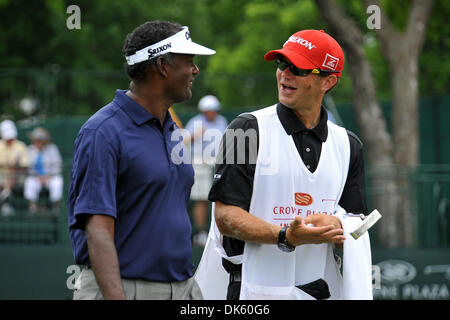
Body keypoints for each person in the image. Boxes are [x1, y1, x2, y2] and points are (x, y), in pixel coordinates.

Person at [195, 29, 372, 300]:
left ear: (329, 81)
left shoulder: (349, 144)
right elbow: (225, 217)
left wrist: (338, 224)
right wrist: (286, 236)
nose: (285, 74)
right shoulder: (246, 129)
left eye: (298, 68)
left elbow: (361, 224)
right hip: (249, 291)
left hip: (321, 291)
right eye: (282, 64)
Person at [67, 20, 215, 300]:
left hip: (182, 286)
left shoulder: (171, 128)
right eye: (189, 61)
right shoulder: (102, 131)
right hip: (123, 289)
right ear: (162, 66)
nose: (195, 70)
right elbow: (97, 229)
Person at [184, 95, 228, 247]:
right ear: (204, 110)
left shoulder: (221, 121)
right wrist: (195, 135)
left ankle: (219, 233)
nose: (214, 112)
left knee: (221, 198)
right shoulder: (195, 122)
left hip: (218, 163)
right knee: (201, 199)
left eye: (215, 110)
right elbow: (183, 141)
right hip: (200, 163)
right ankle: (201, 233)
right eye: (211, 110)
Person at [24, 127, 63, 215]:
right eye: (36, 140)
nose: (37, 142)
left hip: (50, 177)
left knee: (57, 182)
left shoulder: (53, 149)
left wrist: (48, 176)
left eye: (40, 140)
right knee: (30, 183)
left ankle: (56, 208)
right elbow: (28, 167)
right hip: (35, 177)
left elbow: (58, 165)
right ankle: (32, 208)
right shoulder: (30, 150)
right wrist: (37, 176)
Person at [0, 120, 30, 217]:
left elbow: (25, 165)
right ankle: (6, 199)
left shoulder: (20, 146)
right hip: (2, 176)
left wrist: (13, 168)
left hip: (17, 176)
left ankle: (6, 196)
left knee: (13, 174)